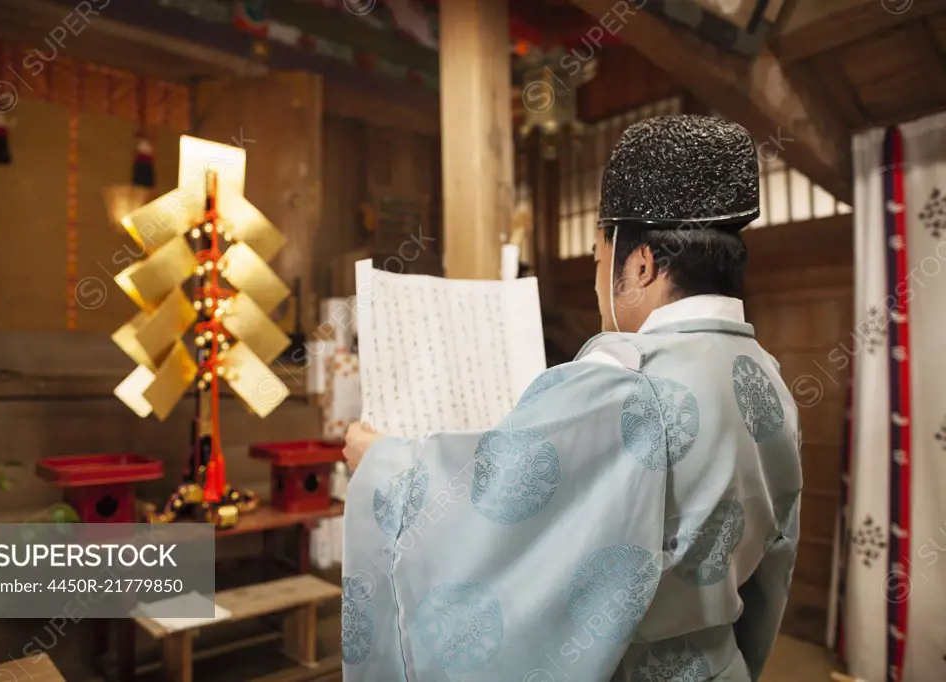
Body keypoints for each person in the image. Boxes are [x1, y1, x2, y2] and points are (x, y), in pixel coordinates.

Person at [340, 114, 802, 682]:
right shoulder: (768, 378)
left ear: (641, 263)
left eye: (598, 260)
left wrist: (384, 465)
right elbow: (773, 565)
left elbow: (486, 514)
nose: (595, 280)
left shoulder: (625, 383)